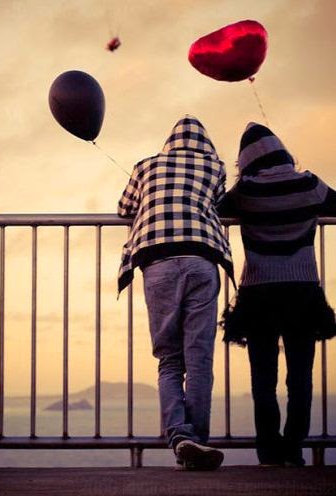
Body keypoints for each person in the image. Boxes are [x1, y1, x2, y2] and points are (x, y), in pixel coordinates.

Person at [117, 115, 234, 470]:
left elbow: (124, 208)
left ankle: (181, 438)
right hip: (201, 260)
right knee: (199, 360)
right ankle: (197, 441)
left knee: (169, 358)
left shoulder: (145, 165)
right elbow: (219, 205)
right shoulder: (215, 167)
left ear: (170, 142)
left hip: (158, 263)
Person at [218, 122, 336, 467]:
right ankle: (294, 448)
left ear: (245, 161)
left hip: (259, 295)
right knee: (300, 376)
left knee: (263, 378)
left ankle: (269, 451)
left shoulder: (245, 192)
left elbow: (218, 208)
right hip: (302, 293)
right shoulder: (309, 184)